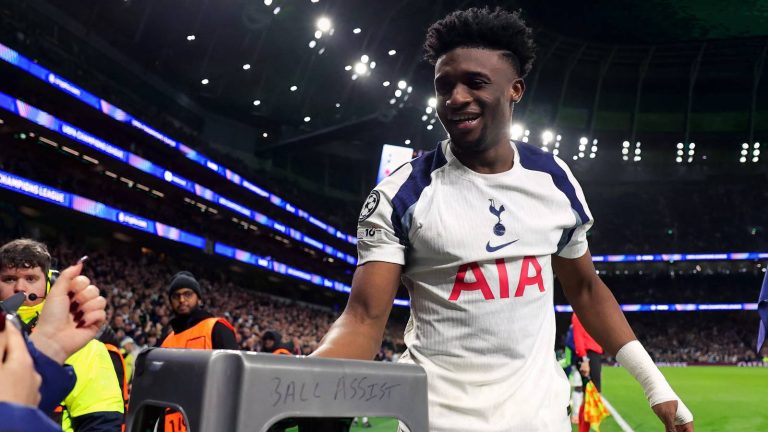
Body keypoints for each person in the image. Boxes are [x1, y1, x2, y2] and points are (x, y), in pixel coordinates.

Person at [312, 7, 693, 431]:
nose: (455, 98)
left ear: (515, 89)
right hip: (437, 424)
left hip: (542, 422)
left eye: (475, 82)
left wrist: (655, 384)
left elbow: (585, 289)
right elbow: (363, 318)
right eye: (444, 86)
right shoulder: (400, 194)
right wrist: (311, 386)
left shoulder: (554, 179)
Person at [0, 239, 124, 432]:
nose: (20, 288)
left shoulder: (85, 347)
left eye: (31, 279)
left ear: (50, 282)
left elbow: (101, 423)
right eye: (9, 279)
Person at [159, 271, 237, 432]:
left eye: (188, 294)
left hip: (209, 419)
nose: (182, 300)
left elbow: (233, 381)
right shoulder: (167, 341)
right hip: (173, 423)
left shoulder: (216, 328)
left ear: (199, 298)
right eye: (176, 296)